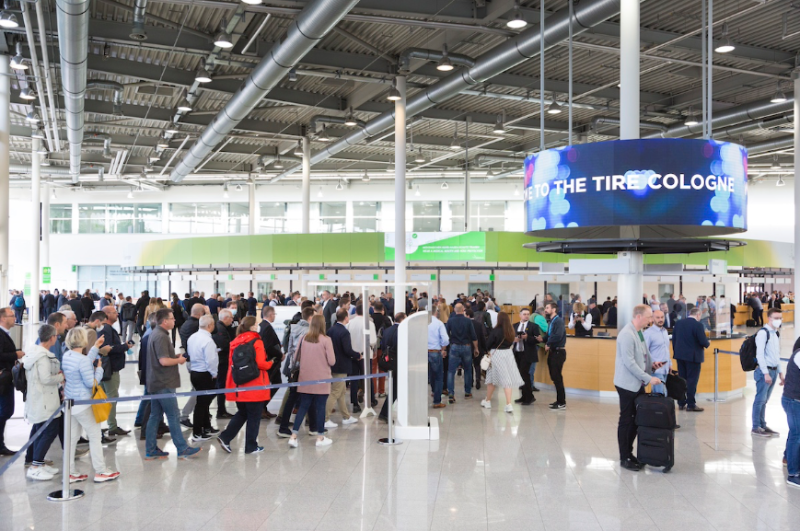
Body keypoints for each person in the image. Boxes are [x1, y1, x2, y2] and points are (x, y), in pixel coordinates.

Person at [61, 327, 121, 483]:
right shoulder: (81, 360)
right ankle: (101, 471)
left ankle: (69, 472)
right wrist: (99, 370)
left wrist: (95, 348)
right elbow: (91, 383)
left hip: (71, 402)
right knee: (94, 436)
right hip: (84, 404)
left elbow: (83, 362)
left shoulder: (67, 356)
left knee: (72, 438)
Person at [144, 309, 201, 460]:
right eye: (172, 318)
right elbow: (163, 361)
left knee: (155, 415)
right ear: (164, 321)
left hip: (155, 380)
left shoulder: (155, 333)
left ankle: (150, 449)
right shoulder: (161, 336)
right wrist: (179, 360)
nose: (175, 320)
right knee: (173, 415)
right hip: (163, 382)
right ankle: (182, 448)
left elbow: (161, 357)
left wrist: (175, 356)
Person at [614, 305, 664, 472]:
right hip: (627, 385)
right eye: (649, 317)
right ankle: (624, 457)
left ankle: (630, 453)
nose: (651, 320)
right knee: (627, 421)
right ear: (638, 316)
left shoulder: (639, 332)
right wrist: (649, 378)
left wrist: (652, 367)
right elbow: (629, 363)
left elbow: (644, 355)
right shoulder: (627, 334)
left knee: (637, 420)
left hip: (638, 383)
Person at [217, 316, 273, 454]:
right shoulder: (256, 341)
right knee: (254, 415)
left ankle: (225, 436)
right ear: (253, 327)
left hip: (239, 384)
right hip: (255, 384)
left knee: (243, 412)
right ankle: (251, 446)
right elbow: (260, 363)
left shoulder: (235, 341)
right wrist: (270, 363)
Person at [22, 325, 64, 481]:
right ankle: (35, 465)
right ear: (52, 337)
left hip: (38, 398)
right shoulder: (43, 356)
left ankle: (38, 462)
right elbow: (46, 378)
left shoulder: (33, 352)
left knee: (41, 429)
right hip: (45, 399)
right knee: (49, 430)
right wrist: (61, 377)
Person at [288, 315, 336, 448]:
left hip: (305, 379)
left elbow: (297, 357)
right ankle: (320, 437)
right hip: (322, 379)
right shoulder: (326, 340)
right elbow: (332, 361)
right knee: (320, 408)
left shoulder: (304, 339)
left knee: (303, 407)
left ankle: (293, 436)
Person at [278, 307, 316, 436]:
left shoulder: (294, 328)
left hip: (294, 367)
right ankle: (310, 426)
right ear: (310, 318)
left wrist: (292, 366)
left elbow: (290, 349)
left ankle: (312, 426)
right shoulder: (308, 331)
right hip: (304, 368)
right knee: (305, 396)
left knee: (294, 397)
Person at [97, 305, 133, 436]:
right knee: (112, 397)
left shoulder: (105, 328)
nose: (117, 314)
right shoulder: (106, 329)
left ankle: (106, 425)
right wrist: (125, 346)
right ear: (106, 314)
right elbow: (108, 348)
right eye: (114, 312)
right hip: (110, 369)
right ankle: (112, 426)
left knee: (105, 397)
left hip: (105, 368)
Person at [482, 312, 524, 412]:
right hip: (508, 354)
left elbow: (488, 344)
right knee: (506, 379)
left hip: (496, 355)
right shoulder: (511, 330)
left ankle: (489, 402)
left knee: (491, 379)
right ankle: (506, 403)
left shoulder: (495, 330)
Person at [752, 308, 785, 438]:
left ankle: (763, 425)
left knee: (765, 400)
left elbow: (776, 355)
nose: (779, 320)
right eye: (776, 318)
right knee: (760, 400)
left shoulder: (775, 333)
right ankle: (756, 426)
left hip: (774, 370)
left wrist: (781, 372)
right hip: (764, 371)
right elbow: (760, 355)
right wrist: (765, 373)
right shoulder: (763, 333)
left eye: (780, 318)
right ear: (769, 319)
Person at [325, 309, 362, 425]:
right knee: (336, 392)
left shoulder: (330, 330)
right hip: (341, 366)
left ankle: (346, 416)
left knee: (341, 392)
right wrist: (357, 355)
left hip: (333, 365)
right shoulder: (344, 332)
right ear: (346, 317)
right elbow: (347, 350)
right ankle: (324, 419)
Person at [187, 315, 219, 442]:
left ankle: (206, 427)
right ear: (210, 326)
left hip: (194, 372)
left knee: (203, 402)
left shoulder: (192, 337)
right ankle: (197, 432)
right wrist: (214, 373)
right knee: (201, 404)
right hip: (205, 374)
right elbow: (210, 360)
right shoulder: (208, 341)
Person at [671, 307, 711, 412]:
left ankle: (681, 402)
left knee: (682, 379)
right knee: (692, 381)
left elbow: (674, 339)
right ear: (698, 315)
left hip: (680, 356)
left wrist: (676, 352)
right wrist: (708, 343)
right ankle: (691, 404)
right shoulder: (698, 325)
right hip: (693, 357)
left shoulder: (679, 323)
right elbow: (702, 341)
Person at [0, 307, 25, 455]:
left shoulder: (5, 334)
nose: (14, 318)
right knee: (5, 410)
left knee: (6, 410)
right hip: (4, 378)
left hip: (6, 376)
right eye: (11, 315)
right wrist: (15, 354)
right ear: (3, 318)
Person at [445, 303, 478, 404]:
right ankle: (467, 392)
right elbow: (473, 336)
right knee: (468, 370)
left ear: (454, 310)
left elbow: (446, 336)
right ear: (463, 309)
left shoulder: (450, 321)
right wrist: (476, 348)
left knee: (451, 371)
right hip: (466, 347)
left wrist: (446, 348)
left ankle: (451, 393)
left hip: (454, 347)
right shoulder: (468, 321)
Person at [346, 304, 377, 412]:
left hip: (353, 354)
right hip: (366, 354)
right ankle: (371, 399)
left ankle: (354, 403)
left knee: (354, 379)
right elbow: (372, 340)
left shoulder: (349, 323)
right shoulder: (369, 323)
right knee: (368, 378)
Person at [540, 301, 567, 410]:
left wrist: (548, 343)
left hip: (558, 352)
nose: (545, 310)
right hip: (552, 352)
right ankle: (559, 400)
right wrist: (542, 339)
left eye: (547, 308)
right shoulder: (552, 321)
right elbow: (550, 335)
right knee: (554, 377)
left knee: (557, 377)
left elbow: (557, 336)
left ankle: (562, 402)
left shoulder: (558, 321)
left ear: (554, 309)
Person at [258, 305, 283, 419]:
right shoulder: (267, 327)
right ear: (270, 314)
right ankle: (262, 406)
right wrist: (280, 354)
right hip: (270, 361)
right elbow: (268, 346)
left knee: (274, 383)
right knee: (274, 383)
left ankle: (263, 407)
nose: (274, 316)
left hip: (270, 361)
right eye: (274, 314)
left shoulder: (262, 325)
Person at [378, 313, 404, 422]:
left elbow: (383, 345)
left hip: (387, 360)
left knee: (394, 387)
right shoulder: (401, 331)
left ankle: (385, 412)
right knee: (395, 389)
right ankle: (385, 413)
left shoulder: (388, 330)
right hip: (396, 362)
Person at [512, 307, 540, 405]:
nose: (526, 316)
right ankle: (524, 396)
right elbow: (511, 337)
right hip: (517, 353)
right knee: (521, 375)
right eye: (524, 314)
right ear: (520, 315)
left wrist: (528, 338)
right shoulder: (515, 326)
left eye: (528, 314)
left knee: (524, 374)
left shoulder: (534, 326)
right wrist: (514, 339)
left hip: (527, 353)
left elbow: (537, 340)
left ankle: (529, 397)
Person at [213, 309, 235, 419]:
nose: (232, 320)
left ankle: (222, 410)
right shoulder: (220, 329)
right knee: (221, 385)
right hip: (222, 361)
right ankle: (221, 410)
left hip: (222, 360)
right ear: (225, 318)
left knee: (221, 385)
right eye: (231, 318)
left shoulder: (222, 327)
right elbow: (225, 345)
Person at [643, 310, 671, 396]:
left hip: (665, 368)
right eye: (658, 317)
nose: (660, 319)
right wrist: (651, 364)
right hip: (656, 369)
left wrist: (670, 364)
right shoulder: (648, 333)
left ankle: (658, 410)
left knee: (661, 395)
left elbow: (666, 349)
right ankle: (658, 410)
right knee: (660, 394)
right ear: (652, 319)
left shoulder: (665, 331)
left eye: (662, 317)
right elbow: (644, 351)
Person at [428, 304, 450, 409]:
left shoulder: (421, 323)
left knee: (429, 375)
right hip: (435, 352)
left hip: (422, 352)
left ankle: (433, 391)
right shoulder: (439, 323)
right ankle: (437, 401)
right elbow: (445, 339)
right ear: (436, 312)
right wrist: (443, 348)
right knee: (438, 376)